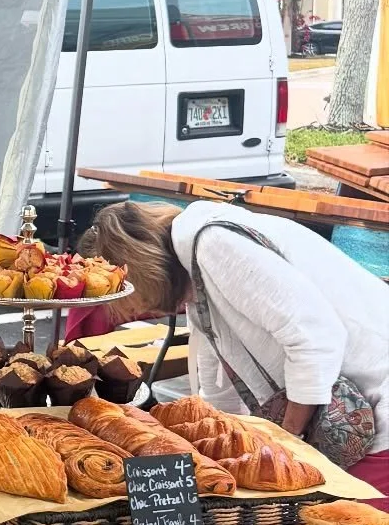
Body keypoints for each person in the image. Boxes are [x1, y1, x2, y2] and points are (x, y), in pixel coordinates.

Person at [86, 199, 389, 501]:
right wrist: (214, 444)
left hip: (376, 405)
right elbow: (218, 385)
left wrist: (287, 442)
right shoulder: (197, 272)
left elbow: (314, 337)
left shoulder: (215, 245)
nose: (139, 307)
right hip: (350, 415)